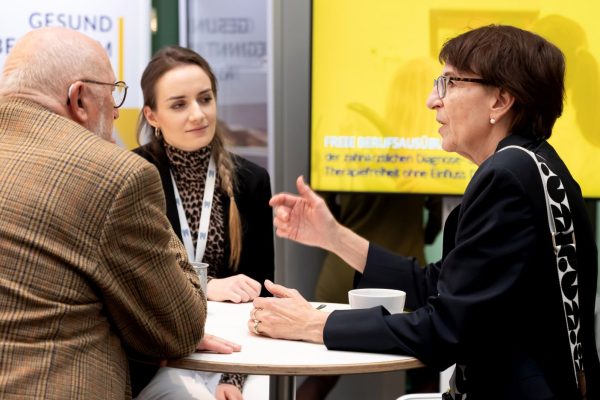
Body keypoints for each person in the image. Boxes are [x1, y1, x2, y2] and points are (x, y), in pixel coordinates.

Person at [252, 25, 600, 399]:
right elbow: (439, 285)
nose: (432, 100)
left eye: (450, 83)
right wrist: (334, 236)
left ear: (500, 101)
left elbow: (447, 328)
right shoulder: (536, 165)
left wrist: (315, 324)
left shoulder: (506, 179)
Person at [0, 27, 240, 400]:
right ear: (78, 99)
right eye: (112, 96)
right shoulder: (115, 174)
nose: (114, 111)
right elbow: (179, 326)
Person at [132, 45, 274, 400]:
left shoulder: (251, 180)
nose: (198, 114)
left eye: (205, 99)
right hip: (160, 358)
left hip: (234, 352)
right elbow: (134, 285)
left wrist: (234, 377)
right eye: (179, 104)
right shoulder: (131, 178)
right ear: (152, 115)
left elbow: (263, 289)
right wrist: (205, 285)